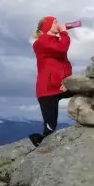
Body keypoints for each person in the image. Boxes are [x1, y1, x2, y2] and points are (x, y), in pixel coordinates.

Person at [29, 16, 73, 147]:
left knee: (87, 92)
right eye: (55, 23)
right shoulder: (40, 43)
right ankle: (38, 142)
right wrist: (64, 33)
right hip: (47, 89)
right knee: (50, 127)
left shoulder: (56, 41)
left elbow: (64, 64)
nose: (58, 25)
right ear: (47, 26)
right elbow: (61, 49)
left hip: (61, 86)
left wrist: (68, 82)